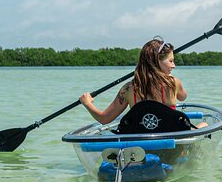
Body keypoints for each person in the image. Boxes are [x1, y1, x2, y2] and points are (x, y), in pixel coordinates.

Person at [79, 36, 207, 128]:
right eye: (171, 61)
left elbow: (104, 119)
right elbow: (183, 97)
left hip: (141, 140)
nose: (174, 66)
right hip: (172, 137)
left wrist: (87, 103)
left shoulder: (128, 89)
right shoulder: (174, 83)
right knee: (204, 124)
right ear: (156, 62)